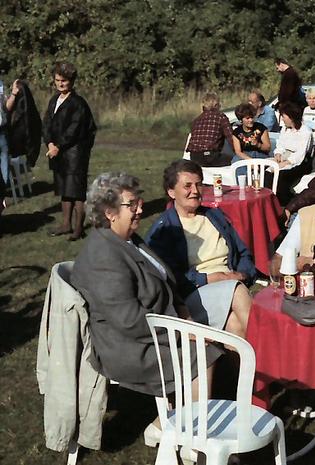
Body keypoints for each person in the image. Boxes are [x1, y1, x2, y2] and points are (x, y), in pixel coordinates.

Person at [71, 172, 223, 398]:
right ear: (109, 212)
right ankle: (185, 419)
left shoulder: (128, 239)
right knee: (203, 353)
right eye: (131, 205)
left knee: (220, 333)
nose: (140, 209)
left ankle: (193, 412)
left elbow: (164, 281)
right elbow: (130, 321)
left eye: (139, 202)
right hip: (129, 346)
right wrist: (181, 333)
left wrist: (184, 314)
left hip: (158, 326)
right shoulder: (103, 255)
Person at [145, 160, 254, 338]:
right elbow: (167, 275)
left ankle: (241, 358)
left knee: (234, 323)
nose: (195, 191)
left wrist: (243, 274)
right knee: (237, 291)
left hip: (230, 283)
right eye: (187, 186)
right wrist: (208, 278)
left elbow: (242, 252)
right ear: (171, 192)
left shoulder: (214, 216)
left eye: (199, 184)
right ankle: (271, 351)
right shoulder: (164, 229)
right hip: (194, 294)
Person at [42, 61, 97, 241]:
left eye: (64, 81)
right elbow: (47, 123)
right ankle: (66, 224)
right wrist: (50, 143)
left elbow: (74, 129)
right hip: (57, 152)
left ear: (72, 81)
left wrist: (59, 146)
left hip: (75, 153)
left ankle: (78, 229)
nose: (60, 84)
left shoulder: (78, 103)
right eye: (57, 80)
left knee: (76, 191)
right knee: (64, 189)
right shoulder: (54, 100)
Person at [270, 102, 313, 205]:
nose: (282, 119)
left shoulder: (305, 131)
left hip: (300, 161)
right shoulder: (285, 129)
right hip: (285, 156)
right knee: (267, 173)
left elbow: (300, 153)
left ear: (291, 117)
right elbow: (281, 144)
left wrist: (286, 162)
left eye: (284, 117)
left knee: (281, 176)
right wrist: (278, 153)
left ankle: (285, 204)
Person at [186, 92, 235, 167]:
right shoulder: (220, 117)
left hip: (194, 157)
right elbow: (231, 138)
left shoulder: (196, 120)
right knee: (236, 160)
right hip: (211, 156)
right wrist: (240, 152)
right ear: (216, 105)